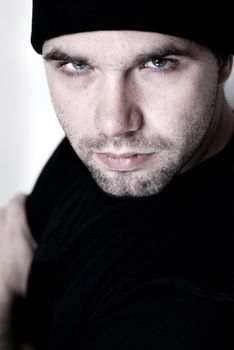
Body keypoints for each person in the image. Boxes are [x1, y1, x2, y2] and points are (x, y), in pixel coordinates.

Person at [1, 0, 234, 349]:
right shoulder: (110, 152)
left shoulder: (186, 312)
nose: (114, 124)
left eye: (157, 63)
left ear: (224, 61)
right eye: (77, 65)